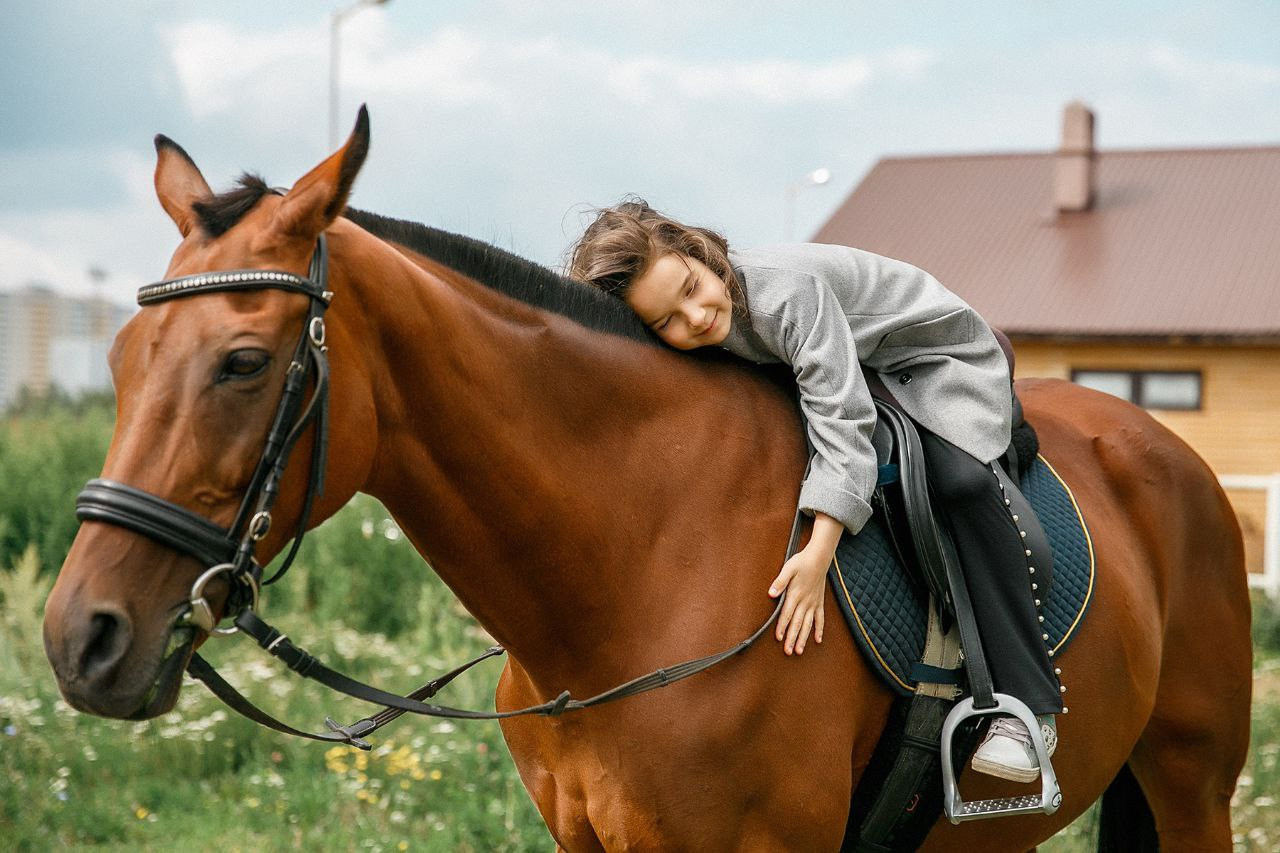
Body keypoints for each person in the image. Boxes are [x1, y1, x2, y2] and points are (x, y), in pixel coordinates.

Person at [568, 198, 1064, 783]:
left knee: (958, 483)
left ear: (696, 251)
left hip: (925, 356)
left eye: (691, 287)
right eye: (666, 322)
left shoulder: (785, 293)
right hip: (850, 357)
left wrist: (818, 550)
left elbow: (843, 416)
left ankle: (1029, 708)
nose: (695, 317)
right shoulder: (715, 315)